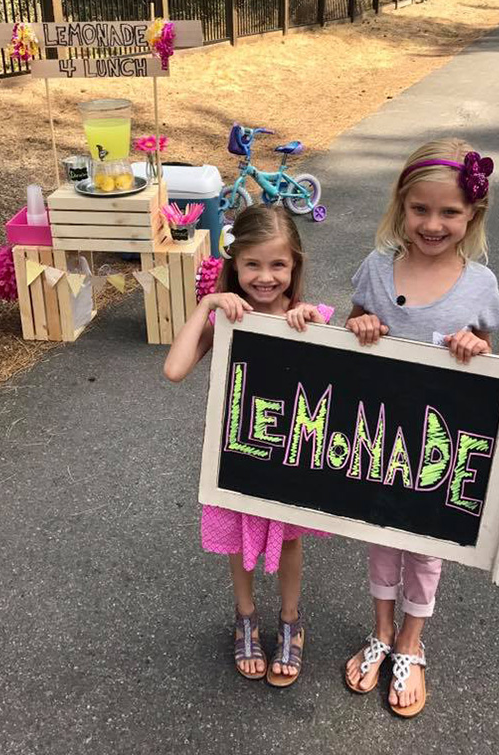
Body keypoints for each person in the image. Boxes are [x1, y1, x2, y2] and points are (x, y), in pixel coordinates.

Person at [343, 138, 499, 717]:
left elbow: (492, 354)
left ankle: (412, 643)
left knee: (427, 547)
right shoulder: (376, 269)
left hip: (441, 444)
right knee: (382, 538)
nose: (432, 224)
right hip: (383, 439)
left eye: (449, 213)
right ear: (401, 206)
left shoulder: (479, 285)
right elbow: (352, 324)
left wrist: (476, 345)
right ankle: (382, 632)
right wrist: (361, 324)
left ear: (472, 215)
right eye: (420, 210)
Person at [164, 205, 333, 687]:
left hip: (288, 456)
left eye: (278, 265)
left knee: (292, 537)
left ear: (295, 266)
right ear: (234, 265)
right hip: (236, 455)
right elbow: (175, 370)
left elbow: (337, 384)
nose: (265, 277)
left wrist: (312, 327)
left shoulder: (312, 318)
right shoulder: (227, 320)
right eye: (252, 264)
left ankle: (290, 619)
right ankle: (245, 617)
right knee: (238, 539)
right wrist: (207, 306)